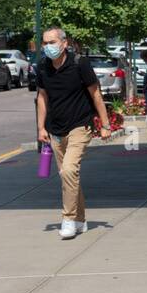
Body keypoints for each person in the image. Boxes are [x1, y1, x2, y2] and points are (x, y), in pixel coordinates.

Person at [34, 28, 113, 239]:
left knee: (69, 171)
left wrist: (105, 124)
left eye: (51, 42)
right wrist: (41, 127)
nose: (47, 46)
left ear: (64, 43)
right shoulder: (42, 67)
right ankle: (80, 220)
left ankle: (68, 219)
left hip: (80, 125)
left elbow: (95, 93)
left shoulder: (80, 63)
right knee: (67, 177)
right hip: (55, 129)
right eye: (44, 43)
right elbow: (42, 97)